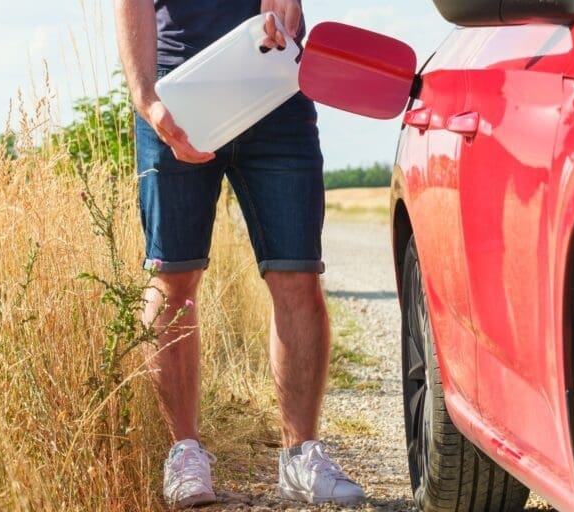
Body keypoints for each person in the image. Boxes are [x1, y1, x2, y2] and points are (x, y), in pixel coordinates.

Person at [113, 0, 366, 507]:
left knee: (298, 275)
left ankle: (301, 457)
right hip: (178, 86)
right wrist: (145, 97)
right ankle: (184, 453)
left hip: (273, 78)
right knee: (173, 277)